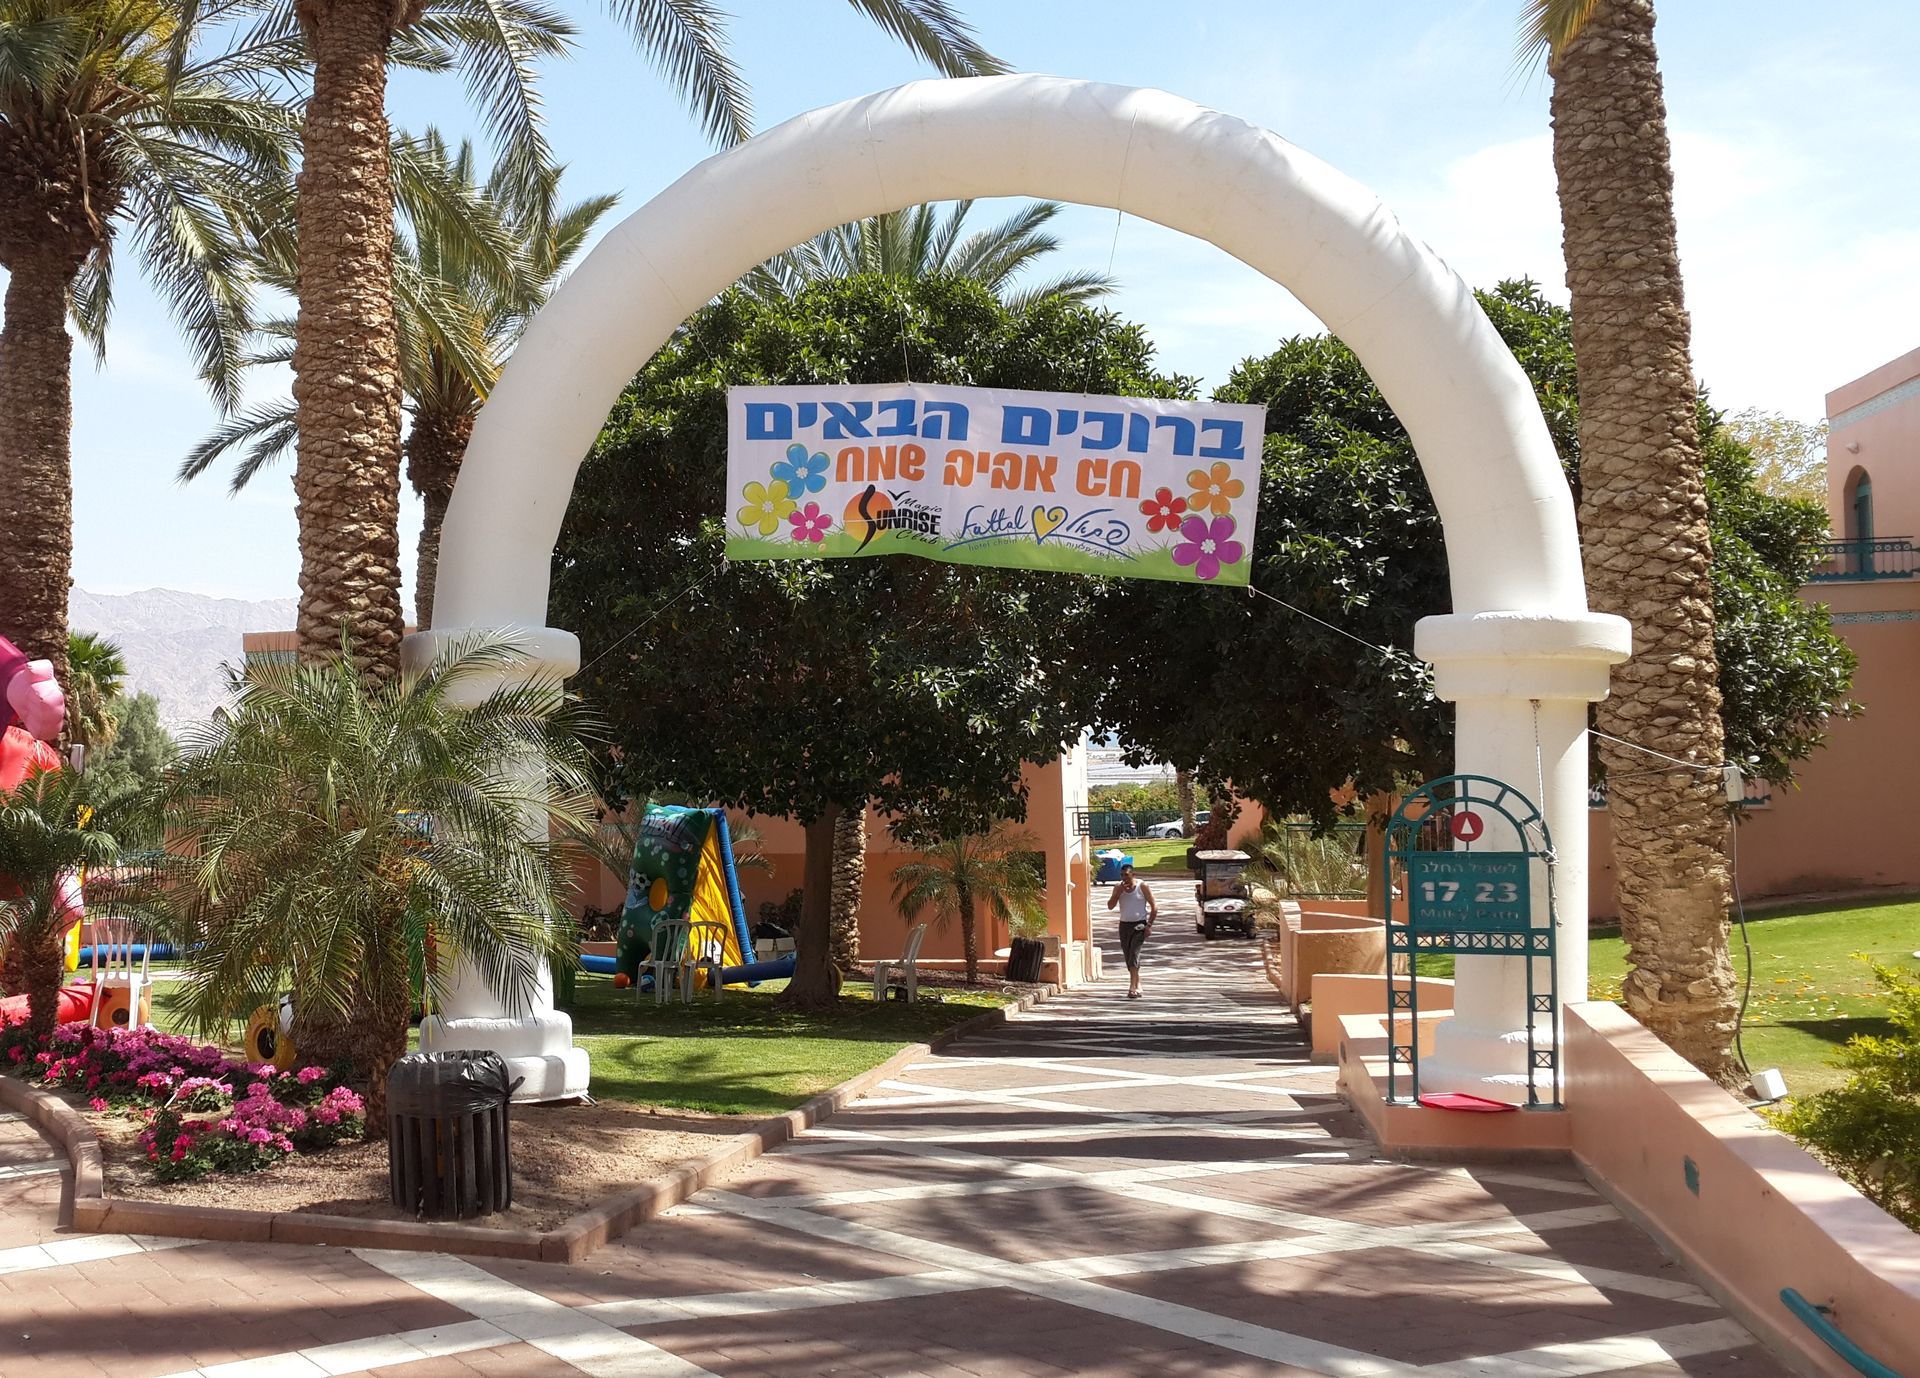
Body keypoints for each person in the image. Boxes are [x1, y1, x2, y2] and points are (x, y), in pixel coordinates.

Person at [1105, 863, 1157, 998]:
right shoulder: (1118, 887)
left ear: (1133, 875)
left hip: (1139, 925)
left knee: (1134, 953)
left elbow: (1154, 907)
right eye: (1122, 875)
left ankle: (1132, 987)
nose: (1124, 878)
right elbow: (1110, 906)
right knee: (1128, 956)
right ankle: (1138, 982)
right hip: (1124, 925)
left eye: (1127, 875)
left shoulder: (1142, 886)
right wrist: (1118, 893)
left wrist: (1149, 925)